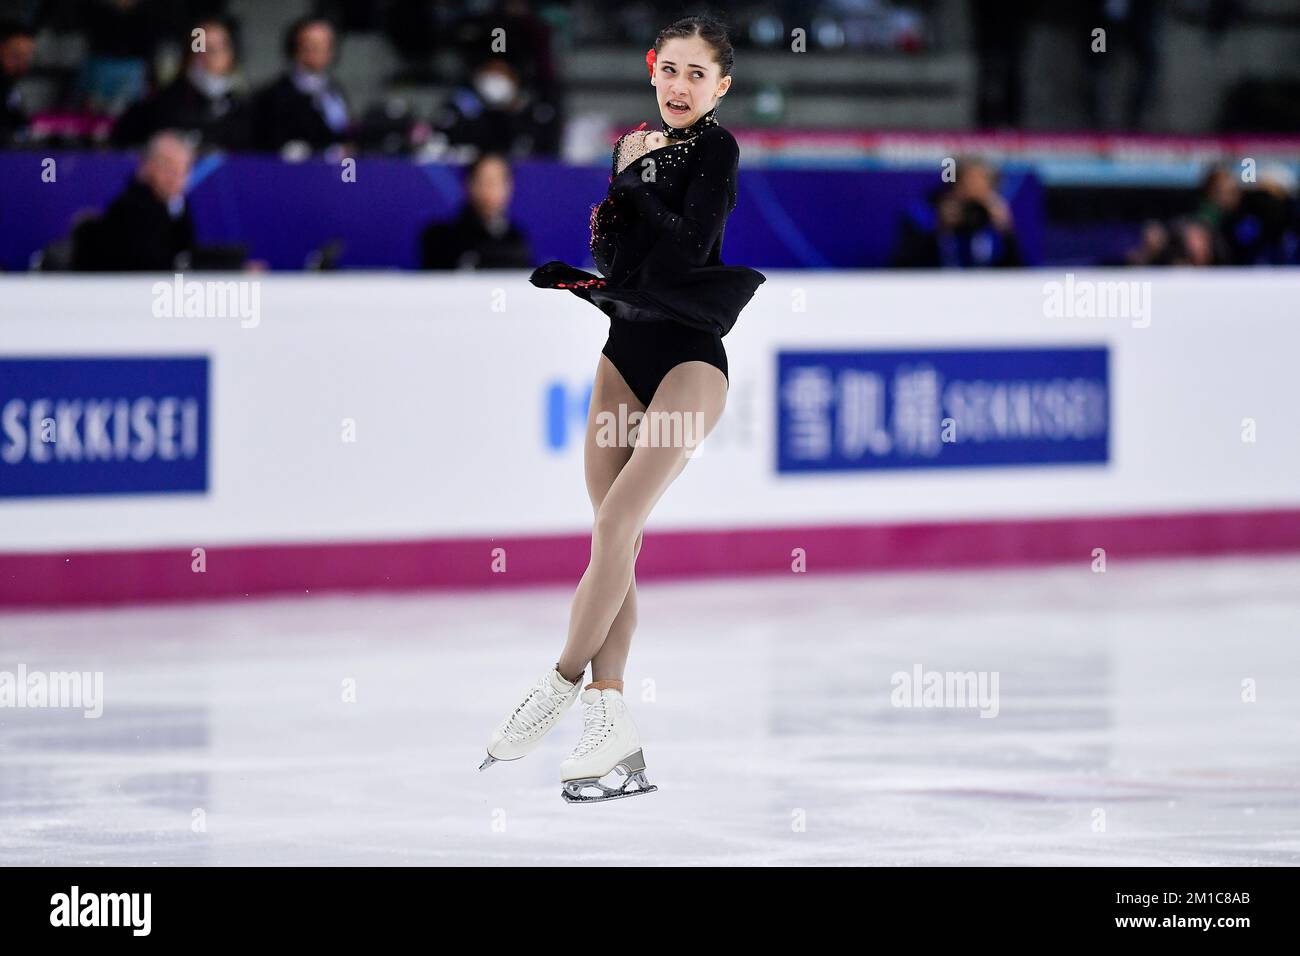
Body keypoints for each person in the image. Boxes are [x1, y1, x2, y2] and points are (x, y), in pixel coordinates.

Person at [478, 16, 765, 803]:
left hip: (690, 362)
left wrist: (637, 186)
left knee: (615, 525)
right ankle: (611, 721)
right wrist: (617, 206)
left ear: (721, 86)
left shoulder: (717, 151)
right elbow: (623, 259)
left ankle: (560, 682)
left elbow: (682, 253)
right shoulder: (630, 145)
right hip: (623, 355)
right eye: (669, 70)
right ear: (652, 72)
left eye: (696, 75)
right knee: (616, 537)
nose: (679, 86)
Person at [111, 18, 250, 150]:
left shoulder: (241, 108)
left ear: (231, 55)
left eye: (214, 49)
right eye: (199, 48)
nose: (206, 57)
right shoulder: (161, 105)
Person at [76, 130, 195, 271]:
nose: (175, 177)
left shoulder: (177, 205)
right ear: (147, 166)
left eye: (182, 169)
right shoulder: (131, 207)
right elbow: (150, 261)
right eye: (167, 166)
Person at [891, 157, 1023, 268]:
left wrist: (1006, 233)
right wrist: (938, 227)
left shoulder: (992, 219)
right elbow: (903, 265)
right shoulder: (928, 211)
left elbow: (1018, 274)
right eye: (968, 184)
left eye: (982, 186)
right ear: (956, 184)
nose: (974, 192)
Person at [252, 17, 350, 153]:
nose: (319, 50)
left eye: (325, 43)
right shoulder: (275, 95)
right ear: (295, 48)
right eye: (311, 44)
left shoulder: (334, 89)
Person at [419, 153, 532, 269]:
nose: (490, 189)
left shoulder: (517, 238)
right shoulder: (441, 238)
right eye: (483, 181)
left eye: (496, 181)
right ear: (469, 184)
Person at [0, 19, 34, 145]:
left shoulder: (9, 86)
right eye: (16, 55)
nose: (23, 63)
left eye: (27, 56)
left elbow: (19, 122)